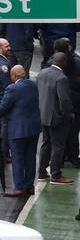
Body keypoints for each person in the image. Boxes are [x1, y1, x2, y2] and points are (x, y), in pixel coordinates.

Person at [0, 65, 41, 197]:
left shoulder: (12, 88)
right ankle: (29, 186)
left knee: (17, 158)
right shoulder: (33, 85)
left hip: (18, 129)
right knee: (30, 157)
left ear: (13, 76)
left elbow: (4, 107)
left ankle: (20, 187)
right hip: (33, 128)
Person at [38, 52, 74, 184]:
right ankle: (56, 175)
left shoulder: (42, 73)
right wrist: (69, 114)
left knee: (45, 144)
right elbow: (64, 100)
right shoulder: (61, 78)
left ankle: (42, 173)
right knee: (58, 146)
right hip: (57, 118)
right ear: (64, 63)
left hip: (43, 115)